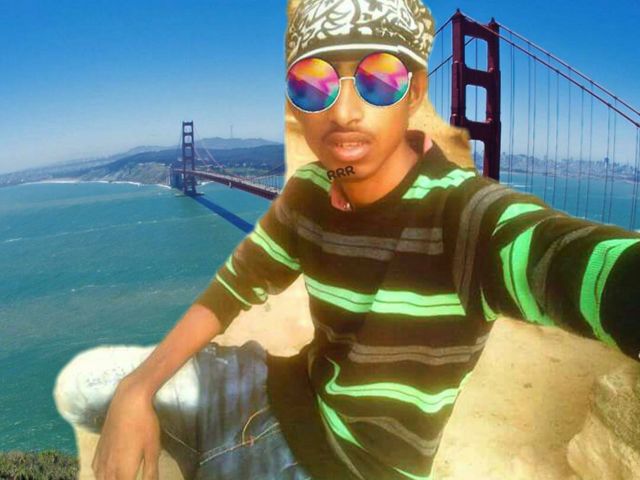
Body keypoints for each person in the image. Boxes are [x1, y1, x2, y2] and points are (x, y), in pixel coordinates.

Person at [55, 1, 640, 479]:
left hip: (351, 470)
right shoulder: (311, 190)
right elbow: (234, 286)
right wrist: (138, 389)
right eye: (314, 85)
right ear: (297, 108)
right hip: (277, 393)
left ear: (415, 92)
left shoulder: (468, 217)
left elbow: (570, 261)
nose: (344, 111)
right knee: (87, 386)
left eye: (379, 80)